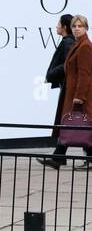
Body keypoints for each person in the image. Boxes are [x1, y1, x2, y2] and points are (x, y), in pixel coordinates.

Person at [53, 14, 92, 167]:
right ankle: (59, 156)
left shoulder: (85, 47)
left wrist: (80, 96)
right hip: (73, 93)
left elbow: (85, 73)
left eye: (80, 26)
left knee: (79, 124)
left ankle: (59, 156)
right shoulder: (78, 45)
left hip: (80, 95)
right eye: (74, 26)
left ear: (86, 28)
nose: (76, 29)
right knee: (75, 124)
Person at [42, 14, 77, 168]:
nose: (56, 26)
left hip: (71, 90)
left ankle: (59, 156)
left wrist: (51, 73)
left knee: (72, 121)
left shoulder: (68, 42)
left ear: (64, 27)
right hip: (69, 88)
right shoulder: (67, 42)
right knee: (71, 121)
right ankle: (59, 156)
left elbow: (68, 64)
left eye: (58, 24)